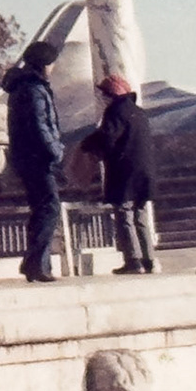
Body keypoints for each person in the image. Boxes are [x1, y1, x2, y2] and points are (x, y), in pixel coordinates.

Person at [79, 74, 156, 274]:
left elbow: (108, 138)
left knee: (125, 216)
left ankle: (134, 261)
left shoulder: (115, 111)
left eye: (104, 94)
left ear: (110, 95)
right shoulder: (139, 112)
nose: (102, 98)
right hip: (144, 172)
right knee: (140, 216)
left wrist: (87, 145)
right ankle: (149, 260)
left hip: (124, 172)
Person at [3, 39, 64, 282]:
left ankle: (38, 265)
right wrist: (56, 151)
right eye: (51, 63)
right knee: (49, 207)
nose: (53, 68)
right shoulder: (34, 89)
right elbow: (40, 125)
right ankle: (35, 263)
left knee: (41, 208)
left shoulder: (23, 87)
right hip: (36, 157)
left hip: (26, 156)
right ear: (44, 64)